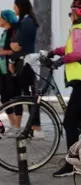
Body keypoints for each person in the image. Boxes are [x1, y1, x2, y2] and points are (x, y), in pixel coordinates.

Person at [48, 0, 81, 177]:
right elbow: (71, 48)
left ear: (77, 13)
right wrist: (55, 51)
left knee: (69, 122)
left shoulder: (80, 29)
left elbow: (77, 52)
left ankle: (71, 165)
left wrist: (59, 61)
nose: (71, 17)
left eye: (71, 14)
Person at [5, 0, 41, 138]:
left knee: (30, 97)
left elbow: (18, 46)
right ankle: (32, 127)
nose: (14, 9)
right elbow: (15, 45)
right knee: (28, 95)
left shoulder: (27, 22)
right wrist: (14, 46)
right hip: (26, 63)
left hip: (27, 64)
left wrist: (12, 56)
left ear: (21, 6)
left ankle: (36, 127)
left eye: (15, 6)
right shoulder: (26, 21)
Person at [0, 10, 20, 131]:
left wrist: (3, 52)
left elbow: (17, 51)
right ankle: (12, 124)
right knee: (4, 98)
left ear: (6, 19)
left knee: (15, 97)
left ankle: (17, 125)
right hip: (2, 70)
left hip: (11, 69)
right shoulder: (4, 33)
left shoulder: (13, 33)